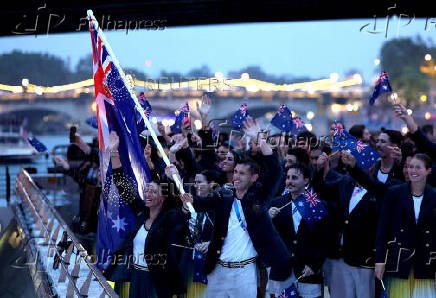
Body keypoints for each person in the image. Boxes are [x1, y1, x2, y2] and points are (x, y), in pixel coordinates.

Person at [179, 117, 291, 298]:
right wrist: (187, 201)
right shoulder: (224, 194)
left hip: (244, 272)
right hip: (218, 269)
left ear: (254, 178)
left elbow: (276, 170)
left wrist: (259, 139)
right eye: (236, 172)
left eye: (242, 173)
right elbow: (200, 204)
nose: (236, 176)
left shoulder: (259, 196)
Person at [103, 131, 190, 298]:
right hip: (137, 276)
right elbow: (122, 184)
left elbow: (182, 214)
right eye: (147, 190)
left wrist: (177, 181)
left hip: (157, 280)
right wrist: (114, 152)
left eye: (153, 191)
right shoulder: (142, 212)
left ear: (163, 198)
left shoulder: (169, 219)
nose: (147, 194)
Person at [375, 153, 436, 298]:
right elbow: (383, 229)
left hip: (427, 261)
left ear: (428, 170)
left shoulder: (434, 195)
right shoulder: (394, 193)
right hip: (398, 260)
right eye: (410, 167)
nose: (413, 171)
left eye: (418, 167)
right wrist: (380, 260)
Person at [268, 164, 328, 298]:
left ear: (306, 180)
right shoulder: (276, 203)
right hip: (281, 270)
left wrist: (314, 265)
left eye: (294, 177)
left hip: (307, 271)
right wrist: (268, 220)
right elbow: (267, 238)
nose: (290, 181)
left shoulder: (315, 204)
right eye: (288, 177)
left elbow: (324, 240)